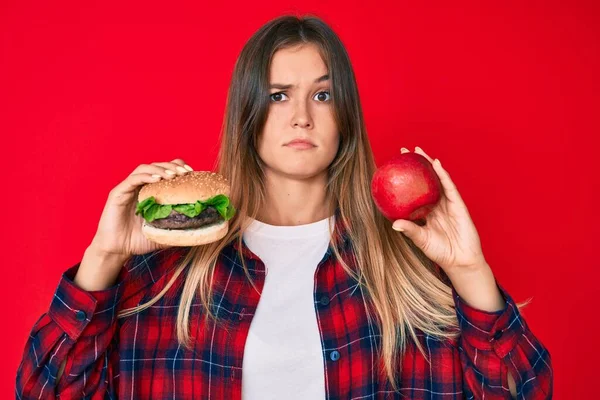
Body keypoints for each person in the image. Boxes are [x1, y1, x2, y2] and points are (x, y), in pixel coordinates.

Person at [16, 14, 553, 399]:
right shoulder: (165, 277)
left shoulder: (405, 271)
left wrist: (468, 271)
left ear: (345, 114)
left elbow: (523, 389)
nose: (301, 116)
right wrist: (104, 258)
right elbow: (44, 390)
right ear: (247, 113)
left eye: (322, 95)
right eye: (277, 95)